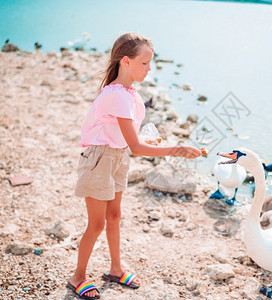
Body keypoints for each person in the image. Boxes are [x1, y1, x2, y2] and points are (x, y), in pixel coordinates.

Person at [67, 32, 202, 300]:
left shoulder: (132, 94)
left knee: (114, 216)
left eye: (151, 63)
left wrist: (153, 139)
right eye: (145, 63)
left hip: (117, 158)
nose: (150, 68)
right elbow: (138, 148)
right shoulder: (116, 95)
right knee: (96, 224)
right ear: (125, 61)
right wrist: (178, 150)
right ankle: (78, 276)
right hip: (99, 160)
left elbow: (132, 138)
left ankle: (116, 269)